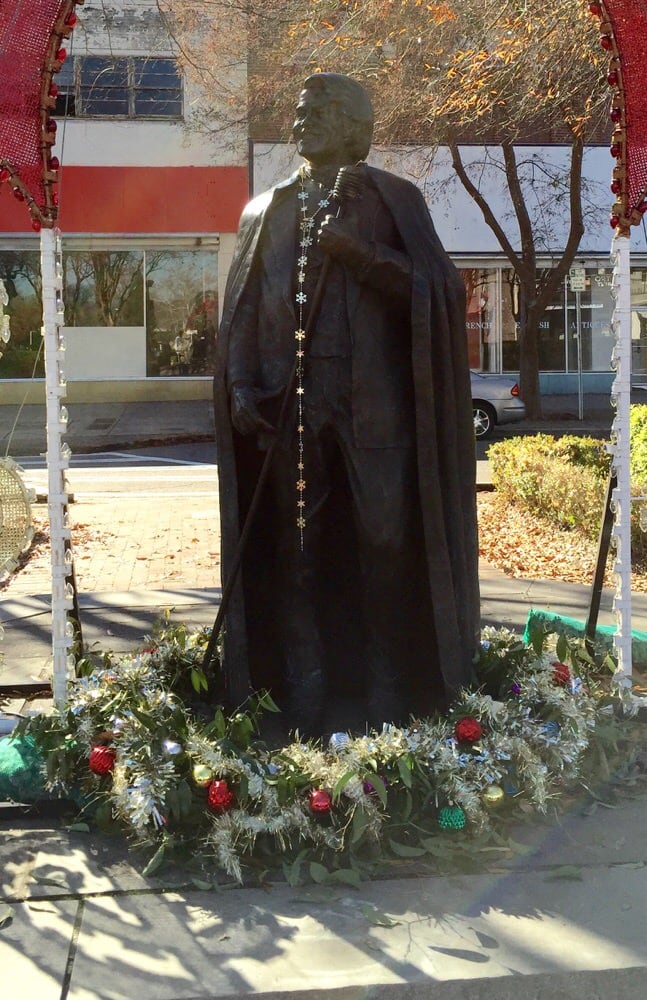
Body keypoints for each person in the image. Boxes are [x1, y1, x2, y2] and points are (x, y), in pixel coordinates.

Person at [213, 73, 479, 736]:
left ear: (349, 123)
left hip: (376, 411)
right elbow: (242, 311)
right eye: (297, 112)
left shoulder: (394, 200)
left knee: (384, 545)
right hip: (291, 410)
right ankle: (303, 693)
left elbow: (439, 292)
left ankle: (389, 687)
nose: (298, 122)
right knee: (296, 550)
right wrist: (242, 385)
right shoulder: (264, 210)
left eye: (313, 113)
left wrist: (354, 252)